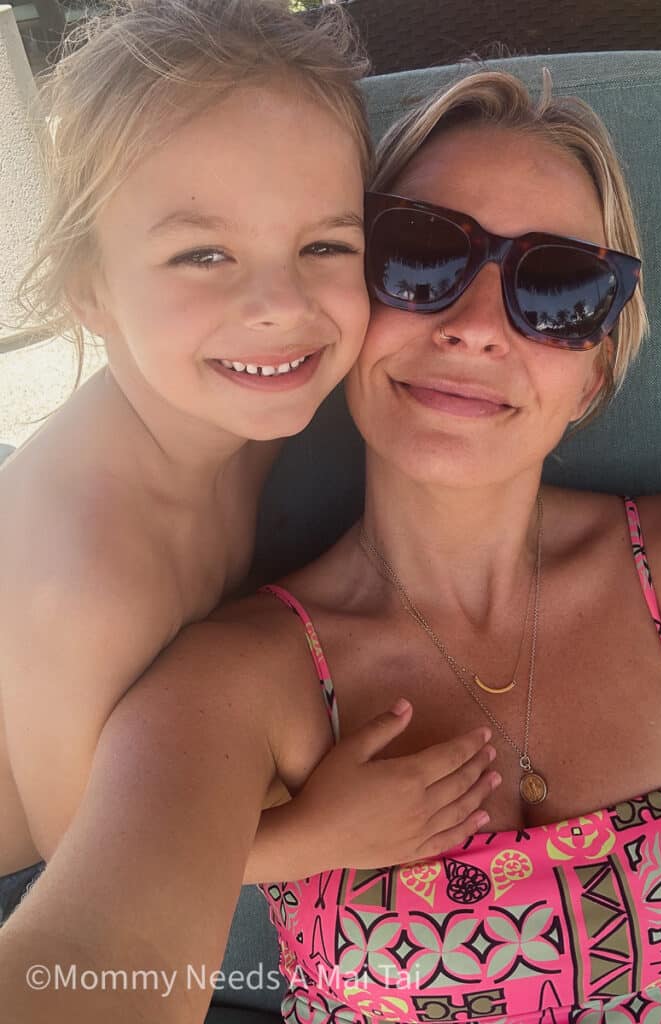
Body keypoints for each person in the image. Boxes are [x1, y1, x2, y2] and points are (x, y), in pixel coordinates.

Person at [2, 67, 661, 1024]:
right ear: (352, 299)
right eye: (419, 256)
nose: (477, 327)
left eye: (561, 286)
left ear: (600, 361)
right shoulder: (234, 684)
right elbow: (96, 949)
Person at [0, 0, 492, 923]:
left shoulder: (245, 409)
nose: (279, 303)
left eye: (323, 245)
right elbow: (87, 857)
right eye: (204, 253)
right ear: (90, 289)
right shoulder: (85, 574)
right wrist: (328, 832)